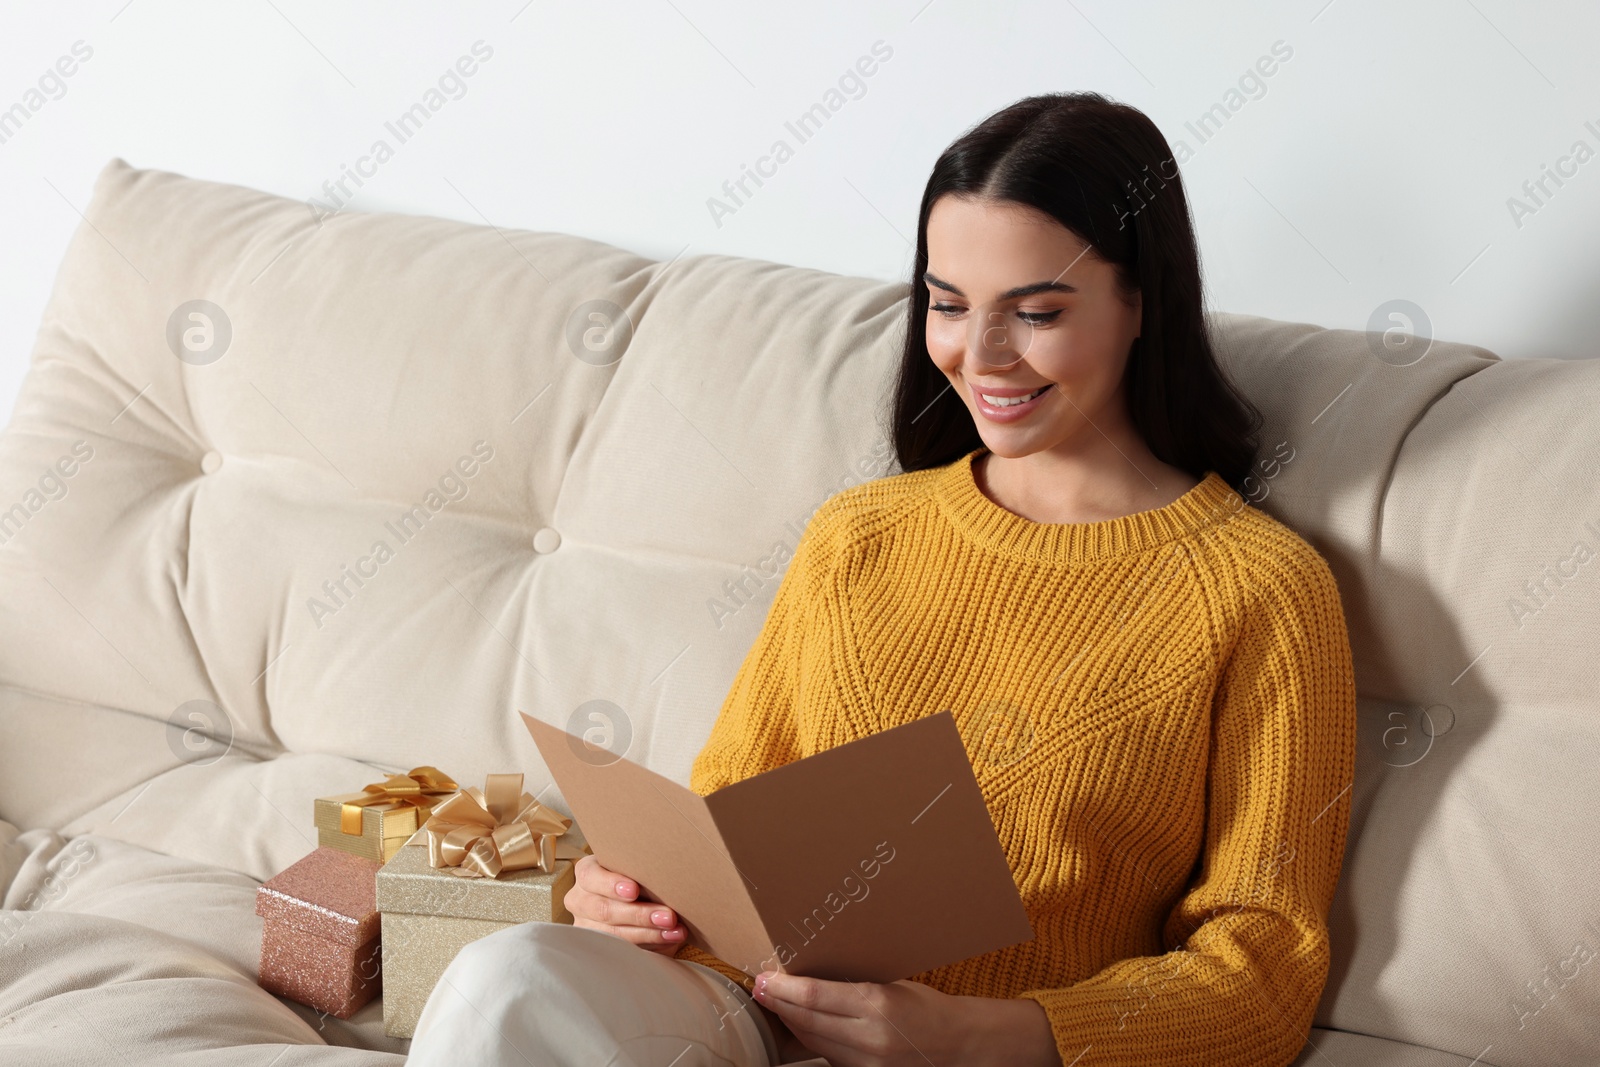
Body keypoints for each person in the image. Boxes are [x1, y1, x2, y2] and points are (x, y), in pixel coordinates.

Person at [406, 89, 1358, 1067]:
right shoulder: (860, 532)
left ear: (1138, 303)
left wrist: (974, 1033)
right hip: (745, 1012)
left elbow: (1262, 970)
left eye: (1034, 312)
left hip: (985, 1054)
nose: (978, 355)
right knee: (505, 973)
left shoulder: (1259, 591)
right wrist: (631, 897)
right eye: (947, 304)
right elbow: (730, 810)